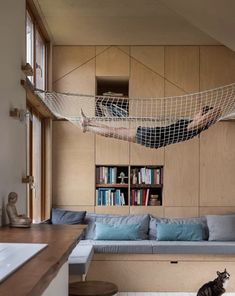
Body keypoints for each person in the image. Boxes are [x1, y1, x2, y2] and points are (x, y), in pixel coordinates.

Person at [80, 106, 222, 149]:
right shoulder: (193, 126)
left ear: (203, 118)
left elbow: (217, 111)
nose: (196, 112)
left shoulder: (194, 127)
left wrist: (214, 112)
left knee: (114, 132)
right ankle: (88, 122)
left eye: (200, 112)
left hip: (153, 136)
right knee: (116, 131)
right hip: (154, 138)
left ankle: (87, 127)